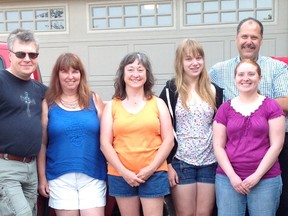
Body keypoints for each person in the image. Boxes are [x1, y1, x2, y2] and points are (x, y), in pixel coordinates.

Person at [209, 17, 288, 216]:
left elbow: (285, 101)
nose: (249, 41)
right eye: (244, 36)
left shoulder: (277, 68)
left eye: (254, 37)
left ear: (261, 40)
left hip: (269, 149)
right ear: (237, 39)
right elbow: (201, 94)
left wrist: (255, 104)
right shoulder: (219, 70)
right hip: (232, 153)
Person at [100, 52, 174, 216]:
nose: (135, 74)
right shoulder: (112, 106)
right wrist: (124, 172)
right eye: (130, 69)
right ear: (123, 74)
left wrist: (151, 169)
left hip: (154, 173)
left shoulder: (158, 103)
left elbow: (168, 140)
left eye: (140, 70)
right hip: (120, 174)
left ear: (147, 74)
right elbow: (105, 144)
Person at [37, 53, 107, 216]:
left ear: (81, 74)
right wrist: (42, 178)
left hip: (93, 175)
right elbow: (42, 144)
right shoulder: (48, 103)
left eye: (75, 71)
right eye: (64, 71)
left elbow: (108, 137)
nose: (70, 76)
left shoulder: (94, 99)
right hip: (59, 176)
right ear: (57, 75)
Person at [159, 38, 223, 216]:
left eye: (198, 58)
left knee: (204, 213)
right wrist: (168, 164)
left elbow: (219, 127)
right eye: (188, 59)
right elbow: (163, 130)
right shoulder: (171, 90)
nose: (195, 63)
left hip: (209, 161)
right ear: (180, 62)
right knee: (185, 213)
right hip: (181, 162)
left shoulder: (215, 91)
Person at [0, 28, 47, 216]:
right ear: (10, 55)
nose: (27, 59)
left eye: (32, 54)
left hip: (31, 169)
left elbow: (70, 96)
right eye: (21, 54)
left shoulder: (40, 90)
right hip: (6, 167)